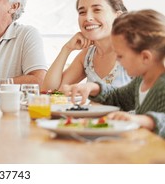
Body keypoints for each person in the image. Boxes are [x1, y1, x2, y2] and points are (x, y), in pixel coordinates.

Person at [63, 9, 165, 138]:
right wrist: (93, 88)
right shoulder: (141, 81)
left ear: (145, 57)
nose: (117, 59)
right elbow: (118, 98)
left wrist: (142, 120)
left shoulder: (162, 84)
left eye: (120, 56)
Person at [41, 0, 131, 92]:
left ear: (118, 16)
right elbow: (49, 91)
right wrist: (66, 49)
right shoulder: (88, 57)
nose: (88, 17)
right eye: (82, 12)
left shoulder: (134, 52)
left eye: (97, 10)